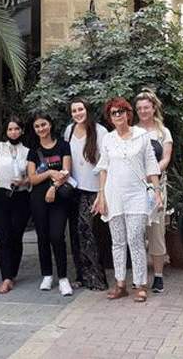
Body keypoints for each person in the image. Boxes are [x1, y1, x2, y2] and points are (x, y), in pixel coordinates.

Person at [93, 98, 161, 303]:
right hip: (114, 195)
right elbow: (103, 168)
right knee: (118, 242)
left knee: (135, 239)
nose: (118, 116)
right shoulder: (108, 139)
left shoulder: (142, 136)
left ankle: (141, 284)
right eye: (114, 113)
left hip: (137, 194)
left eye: (121, 111)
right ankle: (120, 283)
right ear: (110, 117)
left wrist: (157, 191)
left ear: (128, 114)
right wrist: (101, 195)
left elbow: (151, 164)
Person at [0, 116, 30, 294]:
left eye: (17, 129)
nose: (13, 132)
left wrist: (24, 181)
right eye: (10, 129)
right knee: (4, 238)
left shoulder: (28, 151)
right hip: (0, 197)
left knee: (16, 237)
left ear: (22, 131)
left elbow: (31, 177)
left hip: (21, 198)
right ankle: (6, 278)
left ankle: (13, 273)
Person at [63, 99, 109, 291]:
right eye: (74, 110)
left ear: (87, 110)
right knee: (75, 234)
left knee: (89, 233)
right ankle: (81, 276)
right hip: (74, 189)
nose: (78, 113)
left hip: (93, 190)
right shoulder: (69, 131)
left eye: (80, 109)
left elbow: (105, 164)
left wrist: (102, 192)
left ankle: (97, 278)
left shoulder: (100, 131)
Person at [27, 112, 74, 296]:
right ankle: (46, 274)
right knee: (43, 237)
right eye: (37, 126)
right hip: (38, 199)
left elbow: (66, 172)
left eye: (43, 124)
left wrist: (53, 186)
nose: (41, 129)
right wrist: (48, 174)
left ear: (50, 125)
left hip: (59, 198)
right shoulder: (33, 149)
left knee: (57, 236)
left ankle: (63, 278)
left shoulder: (63, 145)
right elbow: (32, 178)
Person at [133, 90, 173, 294]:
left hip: (156, 187)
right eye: (139, 108)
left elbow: (166, 158)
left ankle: (158, 275)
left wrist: (153, 173)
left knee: (156, 231)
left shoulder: (163, 132)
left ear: (153, 108)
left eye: (146, 107)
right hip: (135, 187)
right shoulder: (132, 131)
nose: (143, 111)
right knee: (136, 231)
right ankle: (139, 275)